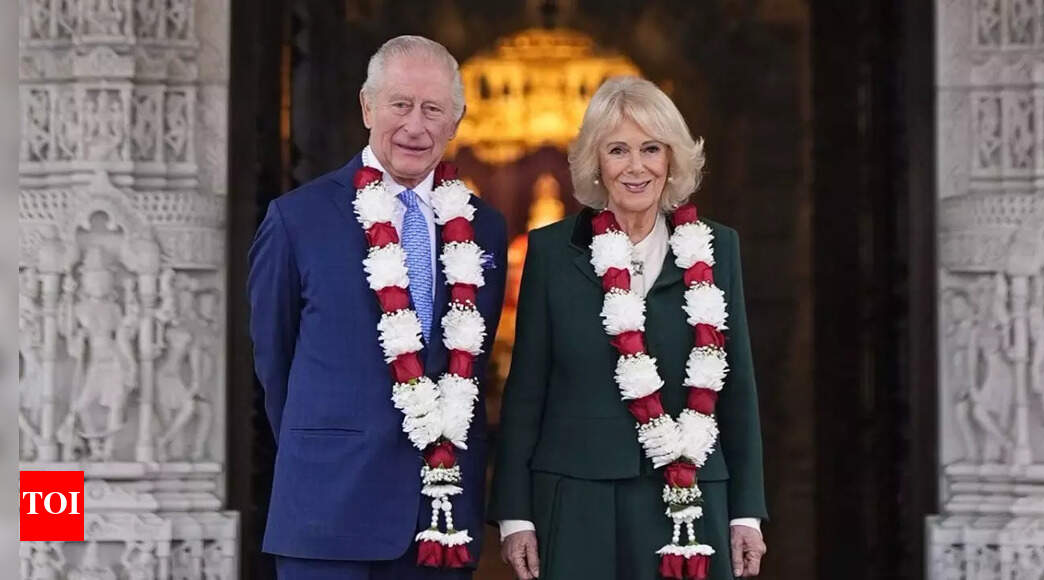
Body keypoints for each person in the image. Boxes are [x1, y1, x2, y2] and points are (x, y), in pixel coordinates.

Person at [248, 35, 507, 579]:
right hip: (328, 512)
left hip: (439, 521)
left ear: (456, 121)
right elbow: (274, 364)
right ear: (367, 107)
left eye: (433, 109)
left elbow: (472, 367)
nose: (415, 126)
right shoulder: (297, 219)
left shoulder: (484, 227)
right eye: (400, 104)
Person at [488, 77, 768, 580]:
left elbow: (738, 387)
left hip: (692, 498)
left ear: (672, 159)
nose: (636, 167)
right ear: (596, 163)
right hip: (578, 500)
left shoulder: (717, 248)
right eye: (617, 150)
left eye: (650, 149)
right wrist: (515, 516)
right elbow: (526, 390)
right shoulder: (551, 253)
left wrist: (746, 512)